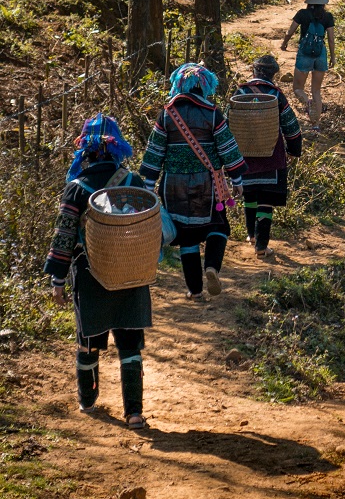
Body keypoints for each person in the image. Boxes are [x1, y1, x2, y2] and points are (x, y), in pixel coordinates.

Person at [44, 114, 152, 428]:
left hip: (90, 275)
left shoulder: (76, 189)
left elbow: (64, 236)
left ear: (85, 152)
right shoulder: (133, 183)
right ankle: (134, 413)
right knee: (130, 344)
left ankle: (88, 403)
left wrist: (58, 278)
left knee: (88, 340)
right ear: (117, 149)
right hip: (131, 274)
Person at [139, 63, 246, 303]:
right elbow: (227, 148)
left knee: (186, 236)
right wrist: (237, 178)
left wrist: (148, 187)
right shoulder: (212, 113)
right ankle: (212, 268)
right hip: (207, 184)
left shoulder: (167, 113)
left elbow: (154, 153)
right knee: (218, 226)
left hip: (172, 185)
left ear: (179, 84)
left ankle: (195, 290)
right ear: (204, 85)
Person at [230, 54, 303, 262]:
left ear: (253, 71)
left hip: (244, 158)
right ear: (274, 74)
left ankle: (251, 236)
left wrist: (228, 157)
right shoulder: (276, 95)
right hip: (272, 156)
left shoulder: (240, 92)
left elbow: (227, 123)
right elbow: (292, 128)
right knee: (266, 200)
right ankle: (261, 247)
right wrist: (293, 151)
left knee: (250, 194)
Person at [281, 0, 335, 129]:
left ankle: (307, 103)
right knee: (316, 90)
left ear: (309, 0)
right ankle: (316, 124)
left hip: (305, 53)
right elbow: (330, 39)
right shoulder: (328, 16)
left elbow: (290, 31)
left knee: (298, 88)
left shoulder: (302, 14)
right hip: (320, 54)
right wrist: (333, 57)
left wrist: (284, 44)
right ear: (323, 2)